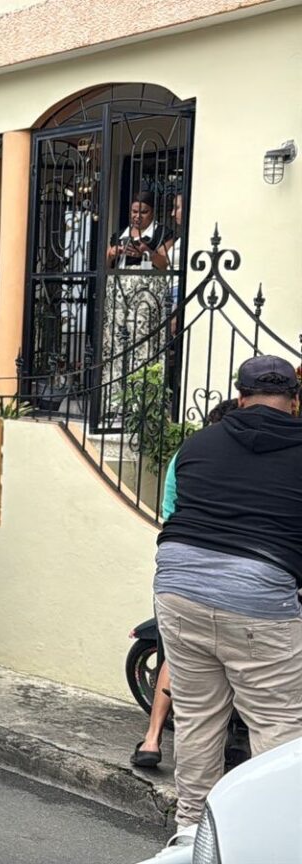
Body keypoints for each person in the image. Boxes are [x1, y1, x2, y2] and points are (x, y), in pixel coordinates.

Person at [154, 356, 302, 850]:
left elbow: (176, 510)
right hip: (259, 595)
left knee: (198, 718)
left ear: (239, 396)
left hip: (177, 588)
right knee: (277, 725)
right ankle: (271, 838)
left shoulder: (196, 444)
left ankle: (190, 832)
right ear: (294, 400)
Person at [134, 397, 240, 769]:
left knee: (179, 655)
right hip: (229, 576)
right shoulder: (233, 461)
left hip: (178, 570)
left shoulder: (188, 455)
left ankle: (151, 739)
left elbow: (169, 514)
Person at [106, 191, 172, 271]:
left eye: (144, 212)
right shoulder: (119, 235)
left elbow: (166, 265)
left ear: (153, 213)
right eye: (134, 211)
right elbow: (104, 266)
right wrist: (110, 256)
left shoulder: (162, 233)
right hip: (118, 282)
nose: (138, 216)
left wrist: (147, 253)